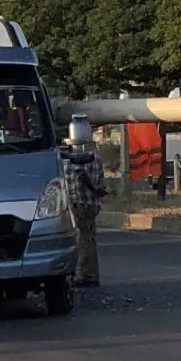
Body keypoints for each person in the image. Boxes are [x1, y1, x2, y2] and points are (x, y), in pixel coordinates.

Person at [61, 116, 108, 287]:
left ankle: (87, 276)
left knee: (83, 240)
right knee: (89, 238)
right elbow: (101, 181)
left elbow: (81, 175)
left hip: (78, 202)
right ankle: (90, 274)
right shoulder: (95, 156)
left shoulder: (73, 156)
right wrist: (98, 191)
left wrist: (93, 189)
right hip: (91, 203)